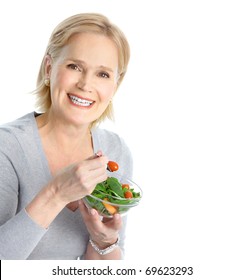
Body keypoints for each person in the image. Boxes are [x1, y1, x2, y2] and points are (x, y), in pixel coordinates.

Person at [0, 13, 132, 260]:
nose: (85, 84)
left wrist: (104, 240)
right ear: (49, 68)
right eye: (74, 67)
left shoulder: (116, 150)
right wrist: (57, 192)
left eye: (102, 74)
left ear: (115, 84)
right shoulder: (7, 147)